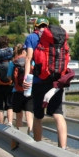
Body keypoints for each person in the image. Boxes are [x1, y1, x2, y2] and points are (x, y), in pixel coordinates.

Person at [23, 18, 67, 147]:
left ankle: (38, 146)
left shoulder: (31, 37)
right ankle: (63, 149)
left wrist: (26, 78)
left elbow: (29, 58)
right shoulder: (57, 37)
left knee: (38, 116)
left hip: (38, 81)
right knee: (58, 114)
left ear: (36, 27)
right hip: (56, 80)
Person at [7, 43, 34, 134]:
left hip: (16, 90)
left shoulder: (13, 62)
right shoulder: (31, 61)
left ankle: (20, 135)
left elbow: (9, 78)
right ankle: (29, 133)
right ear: (25, 51)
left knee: (19, 115)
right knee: (29, 114)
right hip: (29, 90)